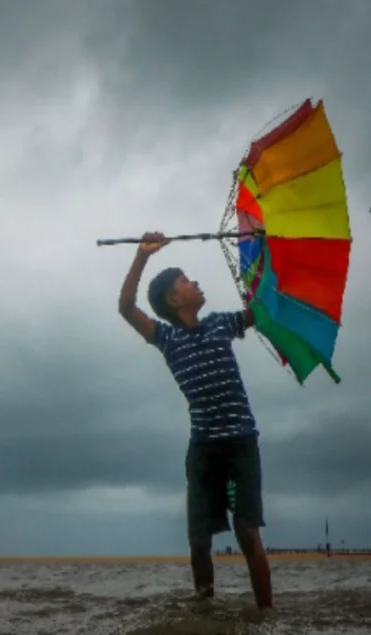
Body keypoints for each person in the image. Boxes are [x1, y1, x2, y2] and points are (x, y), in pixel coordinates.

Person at [116, 232, 273, 610]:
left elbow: (261, 309)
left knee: (246, 531)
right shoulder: (166, 338)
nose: (195, 283)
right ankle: (204, 609)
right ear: (173, 299)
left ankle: (266, 615)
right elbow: (125, 307)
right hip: (203, 449)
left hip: (240, 443)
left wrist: (265, 252)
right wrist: (142, 256)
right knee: (199, 538)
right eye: (186, 281)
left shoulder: (221, 324)